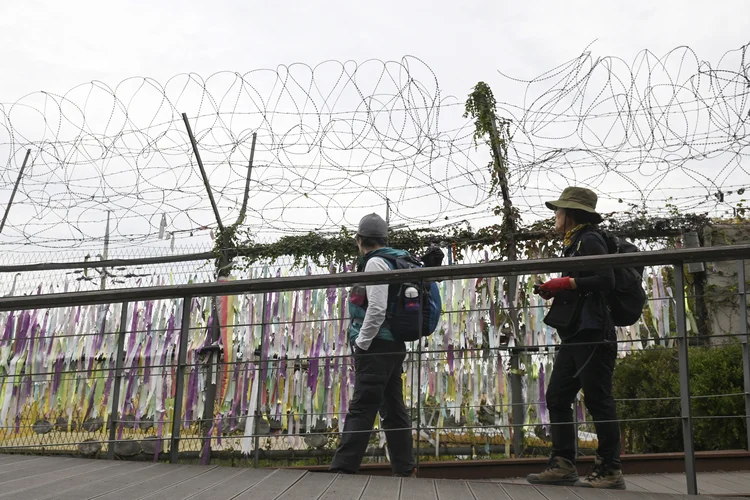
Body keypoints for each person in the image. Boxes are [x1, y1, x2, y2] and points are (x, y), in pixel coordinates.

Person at [526, 187, 625, 490]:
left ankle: (609, 469)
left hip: (593, 332)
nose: (554, 216)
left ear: (570, 214)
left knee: (598, 399)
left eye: (558, 211)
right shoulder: (575, 243)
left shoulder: (590, 239)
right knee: (557, 396)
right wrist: (557, 287)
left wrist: (566, 282)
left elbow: (605, 280)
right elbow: (582, 284)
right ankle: (563, 463)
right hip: (576, 332)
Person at [329, 213, 415, 477]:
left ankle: (343, 469)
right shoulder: (393, 259)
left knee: (363, 405)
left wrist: (362, 343)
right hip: (392, 345)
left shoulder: (376, 263)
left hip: (377, 345)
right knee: (392, 407)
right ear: (384, 238)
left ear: (359, 240)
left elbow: (376, 308)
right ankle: (404, 469)